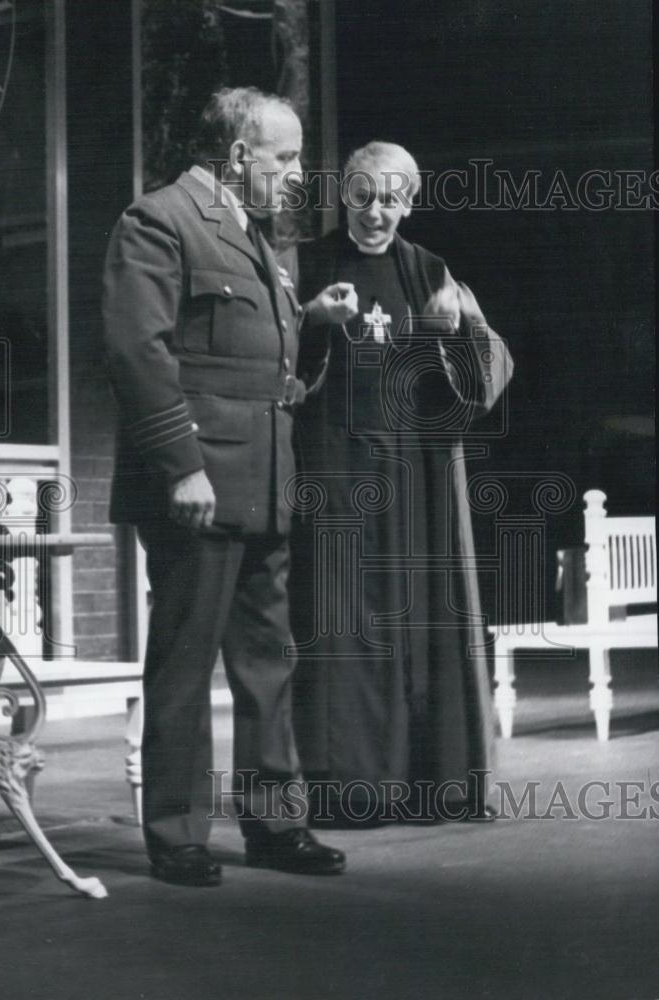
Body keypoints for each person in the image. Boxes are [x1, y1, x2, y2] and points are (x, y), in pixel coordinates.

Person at [102, 87, 357, 885]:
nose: (293, 176)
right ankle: (177, 833)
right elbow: (139, 354)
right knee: (184, 663)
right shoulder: (160, 219)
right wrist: (181, 466)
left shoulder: (260, 242)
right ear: (240, 154)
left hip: (265, 479)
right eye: (284, 159)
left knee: (267, 662)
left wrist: (310, 320)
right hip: (200, 482)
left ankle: (276, 825)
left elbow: (260, 363)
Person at [290, 141, 514, 824]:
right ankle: (350, 792)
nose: (376, 211)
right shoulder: (304, 264)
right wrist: (309, 320)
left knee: (421, 625)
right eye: (363, 194)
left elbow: (492, 367)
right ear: (343, 195)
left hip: (415, 478)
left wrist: (445, 335)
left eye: (391, 198)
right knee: (342, 632)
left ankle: (433, 785)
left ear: (410, 202)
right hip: (332, 476)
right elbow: (271, 359)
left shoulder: (430, 272)